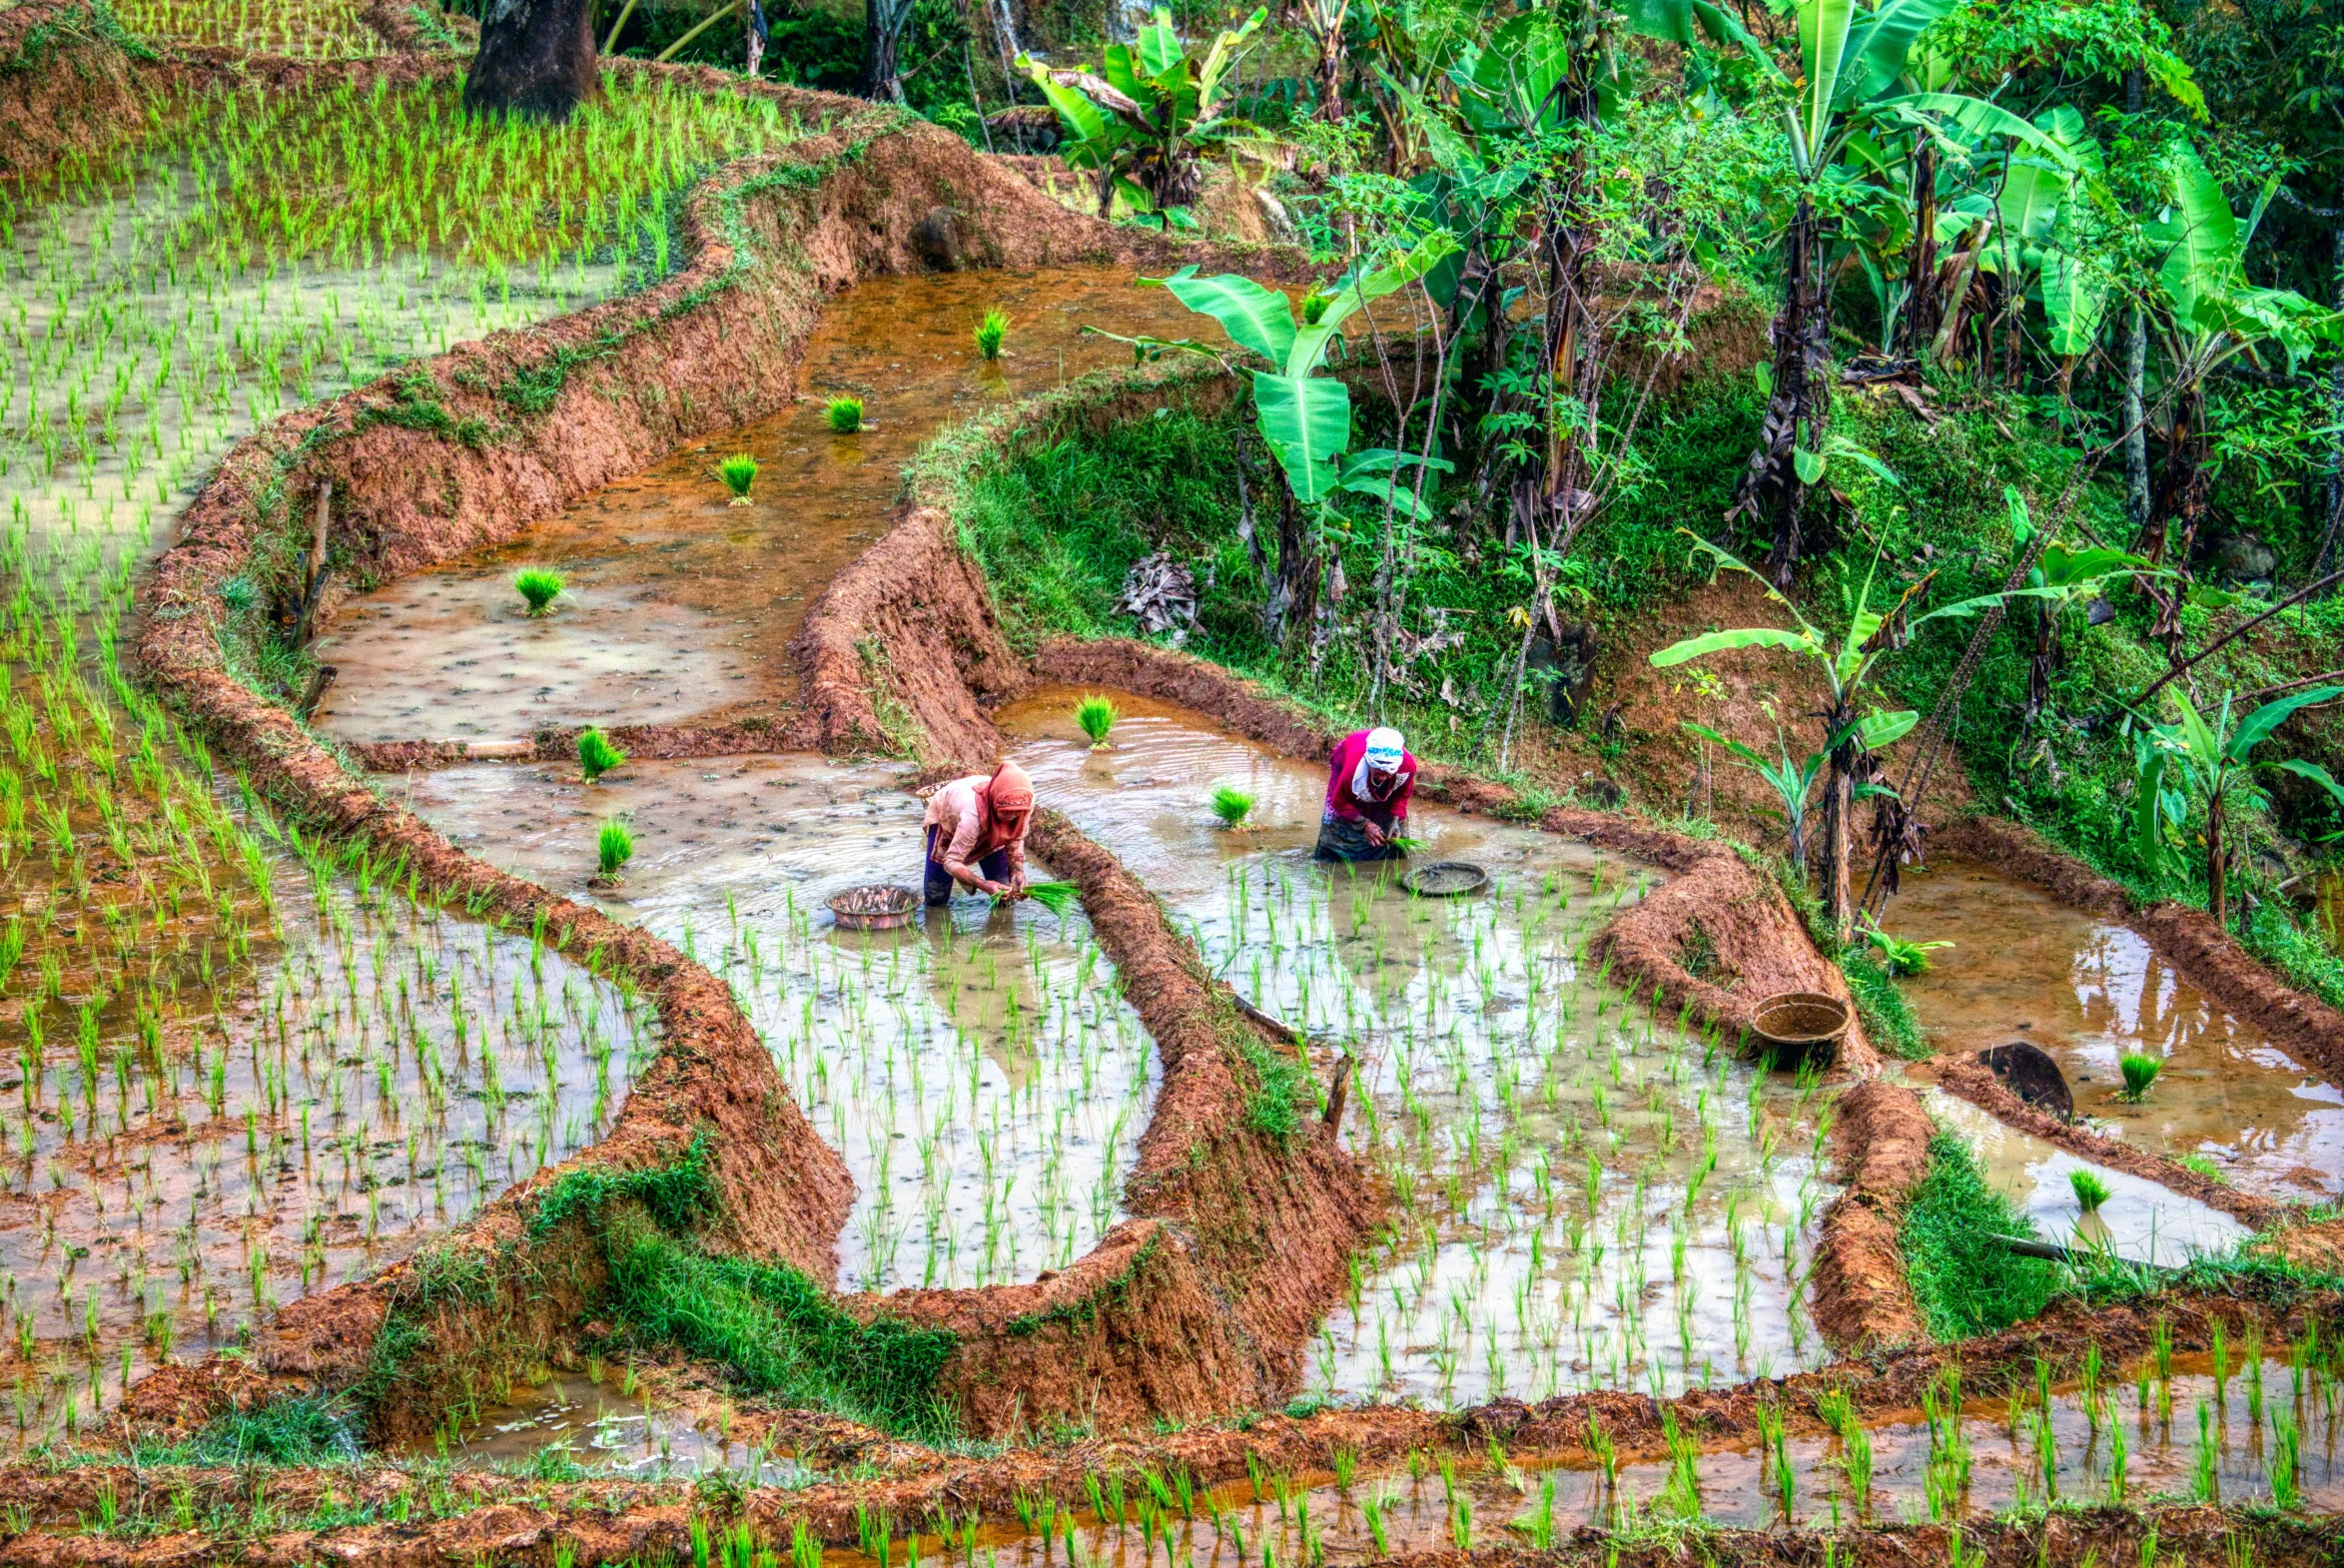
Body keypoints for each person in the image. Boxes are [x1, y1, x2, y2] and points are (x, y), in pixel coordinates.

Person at [922, 760, 1034, 905]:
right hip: (948, 819)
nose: (1010, 818)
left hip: (991, 829)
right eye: (1006, 813)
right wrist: (983, 885)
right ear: (995, 803)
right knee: (936, 898)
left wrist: (1017, 870)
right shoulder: (972, 814)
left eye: (1015, 814)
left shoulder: (1025, 803)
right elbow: (951, 861)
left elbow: (1017, 838)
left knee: (1005, 897)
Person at [1314, 726, 1417, 862]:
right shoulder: (1352, 769)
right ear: (1368, 763)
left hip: (1386, 776)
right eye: (1378, 772)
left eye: (1387, 773)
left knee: (1394, 841)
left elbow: (1401, 796)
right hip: (1352, 754)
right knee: (1336, 841)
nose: (1381, 778)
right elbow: (1339, 801)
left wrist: (1395, 819)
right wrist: (1364, 824)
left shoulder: (1408, 765)